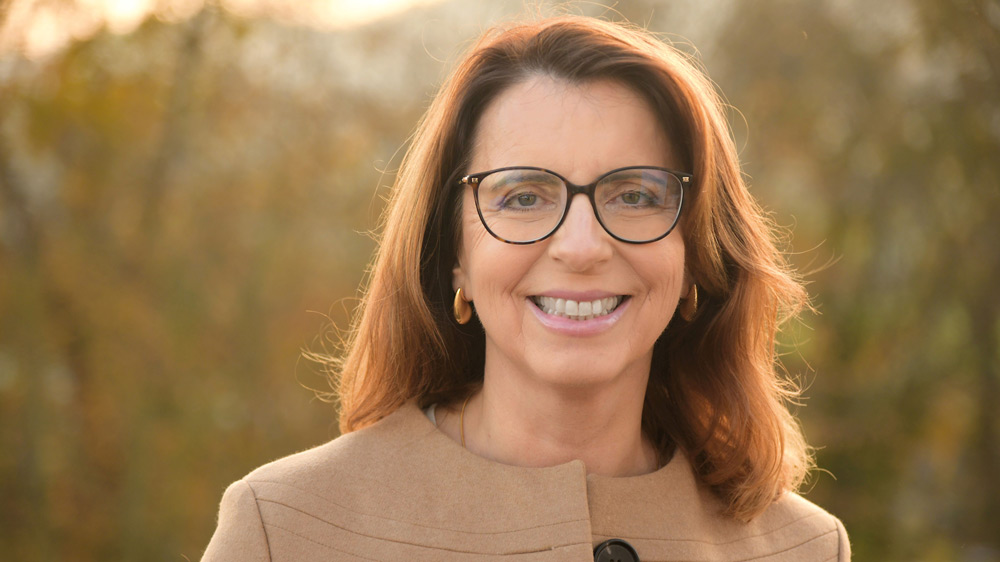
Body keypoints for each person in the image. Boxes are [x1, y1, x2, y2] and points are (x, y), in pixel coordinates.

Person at [202, 15, 849, 562]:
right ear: (454, 256)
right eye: (523, 197)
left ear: (695, 257)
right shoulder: (284, 529)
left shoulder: (805, 549)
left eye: (634, 195)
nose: (581, 247)